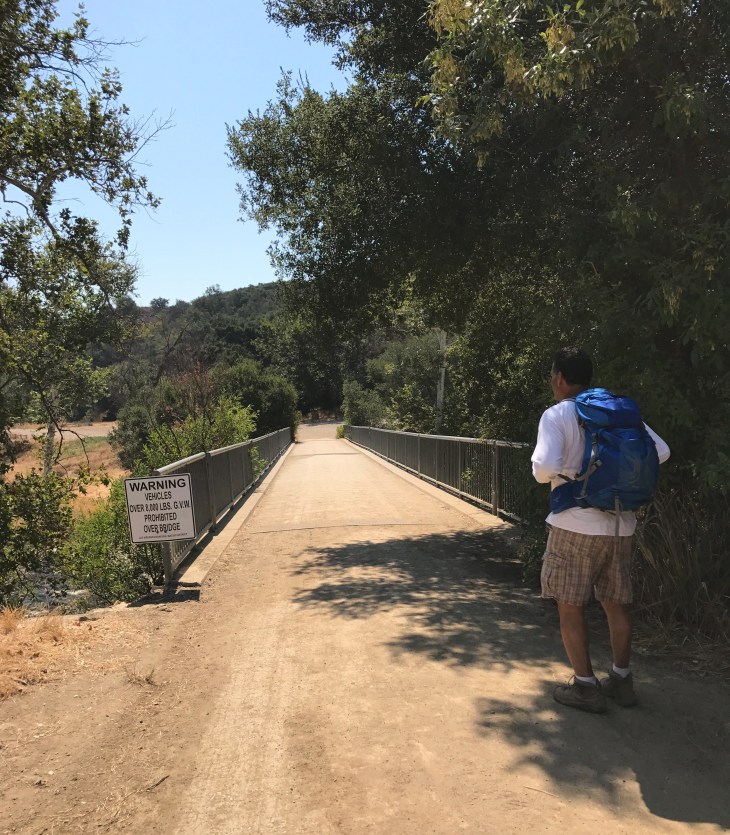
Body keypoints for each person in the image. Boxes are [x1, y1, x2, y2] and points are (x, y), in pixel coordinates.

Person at [531, 348, 670, 713]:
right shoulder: (618, 412)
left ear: (560, 378)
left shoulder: (558, 413)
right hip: (621, 523)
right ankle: (622, 681)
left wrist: (565, 474)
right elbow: (663, 451)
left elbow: (543, 466)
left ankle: (586, 688)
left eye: (552, 376)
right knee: (616, 603)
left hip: (574, 524)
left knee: (570, 606)